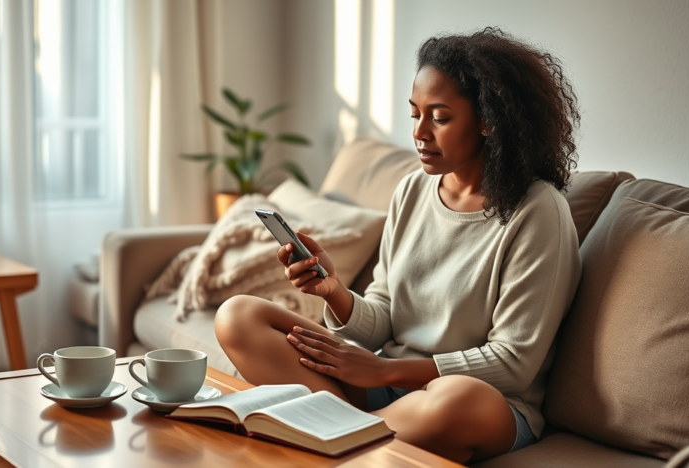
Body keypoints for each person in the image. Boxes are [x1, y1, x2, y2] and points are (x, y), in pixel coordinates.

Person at [215, 27, 582, 464]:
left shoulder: (539, 211)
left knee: (456, 397)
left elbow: (512, 361)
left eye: (440, 117)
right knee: (239, 316)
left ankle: (334, 431)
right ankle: (356, 439)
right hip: (388, 391)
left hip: (486, 403)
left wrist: (384, 369)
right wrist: (333, 291)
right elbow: (384, 318)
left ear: (489, 120)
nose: (420, 132)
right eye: (415, 115)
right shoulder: (412, 190)